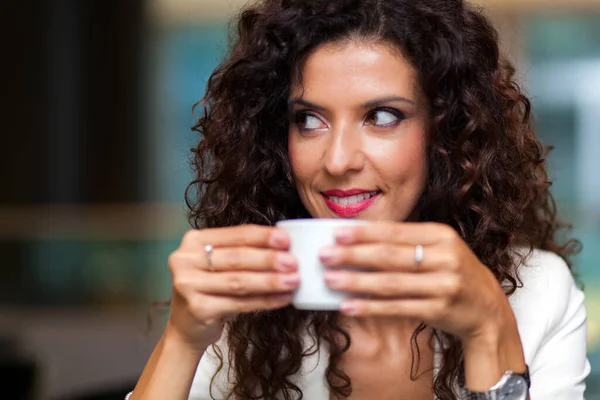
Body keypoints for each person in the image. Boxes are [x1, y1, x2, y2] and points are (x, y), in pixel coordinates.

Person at [128, 0, 590, 399]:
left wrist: (490, 328)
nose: (337, 160)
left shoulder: (540, 295)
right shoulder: (242, 306)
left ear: (444, 132)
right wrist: (183, 341)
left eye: (382, 116)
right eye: (309, 120)